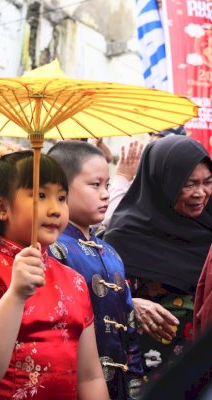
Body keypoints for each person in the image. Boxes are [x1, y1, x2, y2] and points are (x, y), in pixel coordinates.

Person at [0, 149, 108, 399]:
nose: (55, 209)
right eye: (41, 195)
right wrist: (15, 294)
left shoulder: (74, 281)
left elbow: (90, 377)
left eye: (62, 197)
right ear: (2, 208)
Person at [105, 135, 212, 379]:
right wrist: (131, 304)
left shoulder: (208, 223)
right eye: (188, 184)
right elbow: (101, 294)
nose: (201, 193)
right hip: (144, 367)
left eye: (208, 182)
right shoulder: (125, 234)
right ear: (161, 181)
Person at [47, 141, 145, 399]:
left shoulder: (109, 251)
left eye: (108, 186)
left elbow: (129, 327)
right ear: (61, 189)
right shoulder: (50, 249)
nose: (105, 194)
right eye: (95, 185)